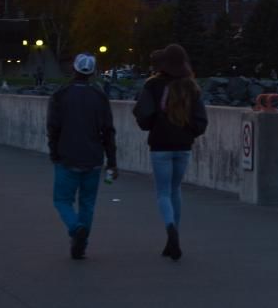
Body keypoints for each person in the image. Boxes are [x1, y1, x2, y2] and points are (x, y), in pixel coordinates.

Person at [133, 44, 208, 261]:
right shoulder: (192, 87)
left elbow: (143, 115)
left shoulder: (153, 85)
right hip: (183, 146)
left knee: (163, 193)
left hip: (160, 145)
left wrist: (154, 124)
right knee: (175, 190)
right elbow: (201, 121)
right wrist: (189, 133)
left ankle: (170, 229)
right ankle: (173, 236)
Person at [47, 52, 118, 260]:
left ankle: (75, 227)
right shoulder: (100, 97)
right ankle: (81, 245)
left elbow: (53, 128)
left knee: (62, 200)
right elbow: (108, 131)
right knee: (87, 203)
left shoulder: (60, 95)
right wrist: (112, 162)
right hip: (93, 158)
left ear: (74, 69)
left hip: (67, 156)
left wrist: (54, 152)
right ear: (93, 72)